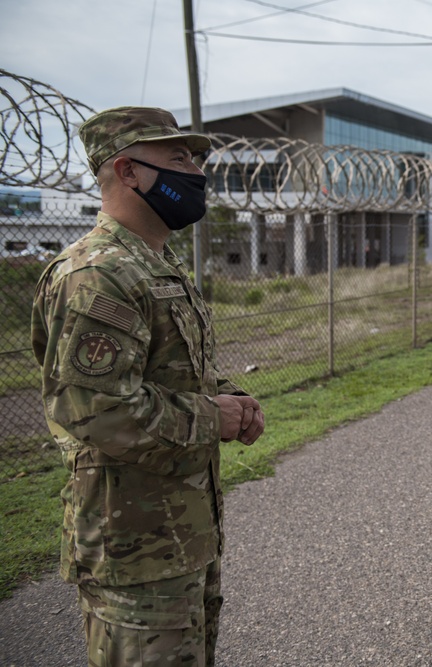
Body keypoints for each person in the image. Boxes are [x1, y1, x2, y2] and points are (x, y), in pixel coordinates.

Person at [30, 106, 265, 666]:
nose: (198, 172)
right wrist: (214, 417)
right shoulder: (98, 274)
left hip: (180, 532)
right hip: (132, 547)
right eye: (179, 157)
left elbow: (169, 371)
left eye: (198, 158)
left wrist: (230, 397)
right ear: (127, 171)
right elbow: (95, 410)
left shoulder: (154, 263)